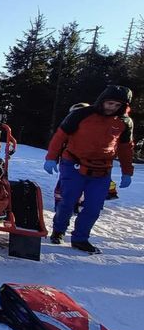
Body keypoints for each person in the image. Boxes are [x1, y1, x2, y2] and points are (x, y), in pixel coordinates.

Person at [44, 85, 134, 254]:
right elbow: (60, 136)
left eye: (117, 105)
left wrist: (127, 171)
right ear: (102, 100)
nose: (112, 108)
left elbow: (125, 148)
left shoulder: (124, 123)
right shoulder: (81, 114)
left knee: (94, 207)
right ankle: (58, 230)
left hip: (102, 169)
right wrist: (51, 158)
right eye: (110, 103)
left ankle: (80, 239)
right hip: (73, 164)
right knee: (68, 201)